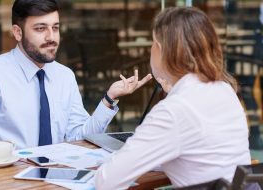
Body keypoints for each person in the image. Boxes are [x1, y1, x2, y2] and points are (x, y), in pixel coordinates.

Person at [0, 0, 152, 158]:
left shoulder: (64, 76)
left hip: (54, 176)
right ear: (17, 32)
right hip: (4, 180)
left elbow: (80, 136)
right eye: (40, 29)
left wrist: (109, 99)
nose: (51, 37)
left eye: (55, 28)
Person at [95, 7, 251, 189]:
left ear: (161, 50)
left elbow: (106, 181)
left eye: (153, 43)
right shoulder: (224, 90)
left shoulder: (173, 110)